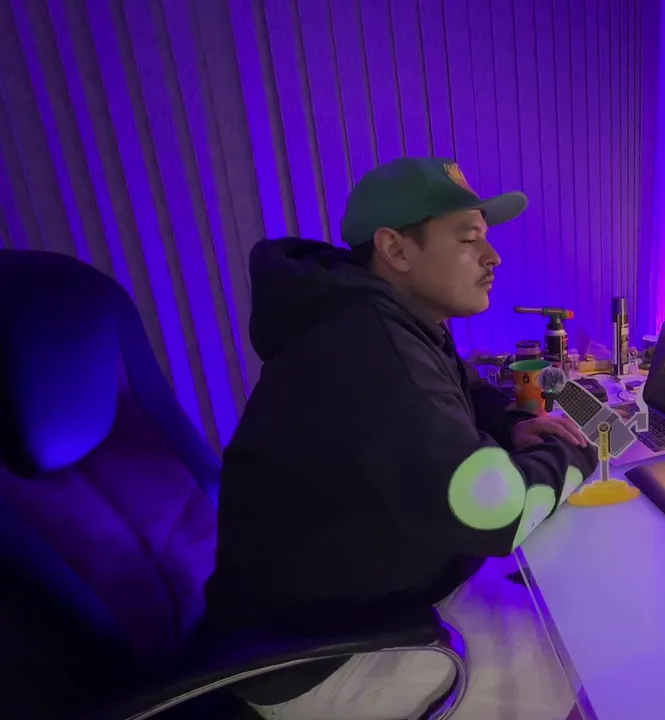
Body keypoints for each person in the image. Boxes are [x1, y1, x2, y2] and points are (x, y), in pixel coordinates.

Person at [204, 157, 599, 720]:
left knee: (564, 598)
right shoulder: (368, 345)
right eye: (469, 238)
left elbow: (461, 392)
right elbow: (497, 512)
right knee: (585, 651)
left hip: (370, 597)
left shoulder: (386, 318)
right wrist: (577, 452)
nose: (493, 256)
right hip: (314, 659)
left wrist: (513, 425)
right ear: (395, 249)